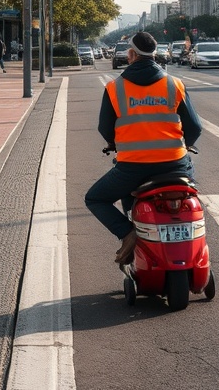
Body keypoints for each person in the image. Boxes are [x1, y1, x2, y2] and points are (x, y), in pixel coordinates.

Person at [85, 31, 202, 265]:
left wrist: (113, 143)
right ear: (155, 55)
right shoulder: (174, 84)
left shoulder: (114, 88)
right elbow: (195, 127)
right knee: (191, 199)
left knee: (95, 199)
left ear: (131, 54)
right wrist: (187, 144)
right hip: (175, 165)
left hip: (132, 167)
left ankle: (129, 233)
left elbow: (105, 128)